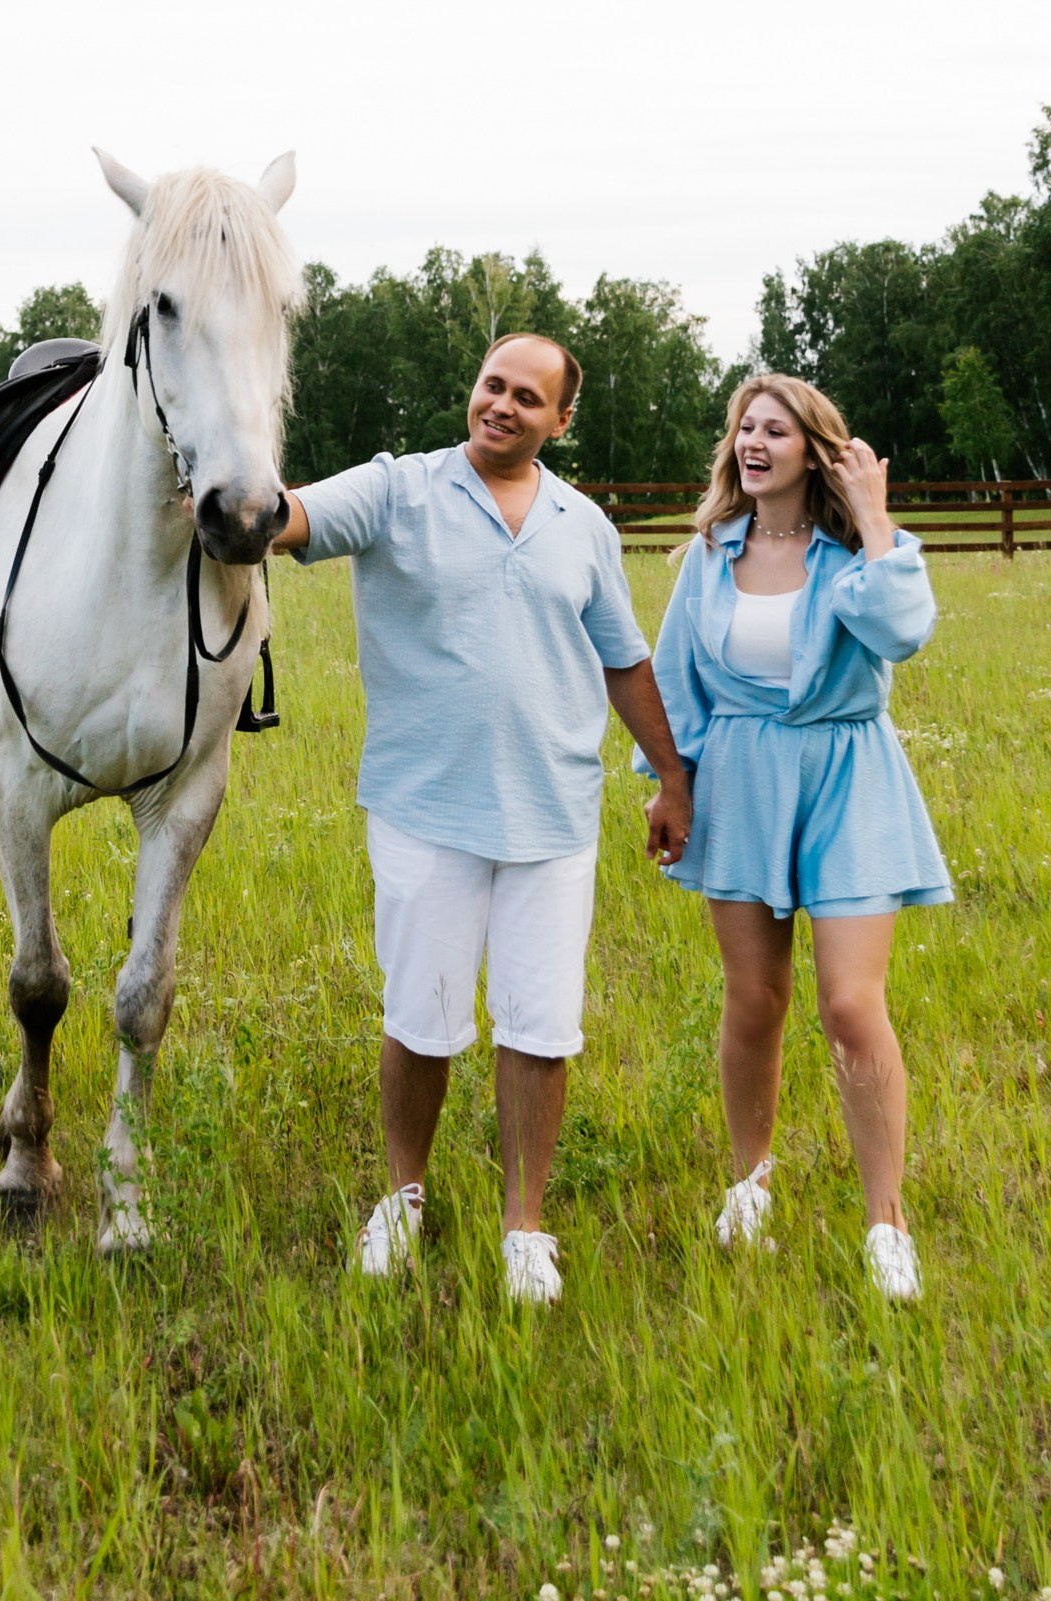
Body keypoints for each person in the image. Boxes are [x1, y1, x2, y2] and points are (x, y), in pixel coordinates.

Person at [272, 332, 693, 1306]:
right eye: (491, 386)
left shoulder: (582, 525)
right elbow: (293, 517)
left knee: (540, 1026)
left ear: (562, 419)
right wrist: (243, 506)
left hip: (554, 812)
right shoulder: (398, 489)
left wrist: (672, 777)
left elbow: (625, 660)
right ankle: (403, 1195)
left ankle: (524, 1226)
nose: (502, 405)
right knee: (421, 1013)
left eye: (528, 397)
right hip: (426, 806)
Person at [633, 374, 952, 1300]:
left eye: (775, 430)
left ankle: (886, 1222)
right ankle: (752, 1181)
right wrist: (669, 784)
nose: (753, 443)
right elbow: (677, 677)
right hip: (738, 784)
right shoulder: (709, 553)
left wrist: (875, 518)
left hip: (848, 780)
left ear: (815, 449)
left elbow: (904, 634)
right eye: (744, 428)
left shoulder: (861, 553)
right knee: (754, 999)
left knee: (851, 1004)